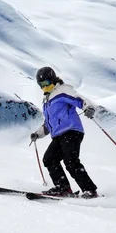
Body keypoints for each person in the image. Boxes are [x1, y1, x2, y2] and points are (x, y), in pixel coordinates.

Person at [30, 66, 99, 198]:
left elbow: (79, 98)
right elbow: (49, 123)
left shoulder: (63, 90)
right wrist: (38, 134)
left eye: (46, 83)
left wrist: (88, 107)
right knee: (49, 159)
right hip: (59, 135)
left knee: (71, 161)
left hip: (71, 131)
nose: (43, 87)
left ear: (53, 80)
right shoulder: (47, 100)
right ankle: (63, 188)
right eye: (41, 85)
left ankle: (90, 190)